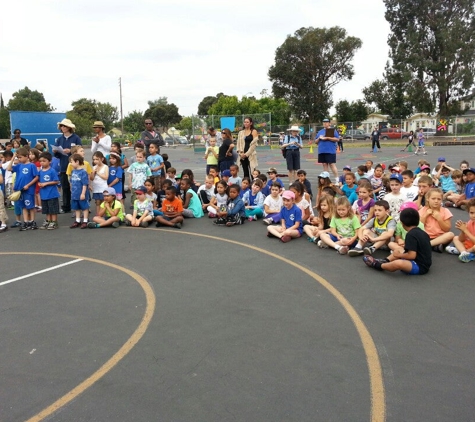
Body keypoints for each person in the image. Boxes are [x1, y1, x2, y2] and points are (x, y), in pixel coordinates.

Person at [363, 208, 432, 275]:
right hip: (424, 262)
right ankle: (386, 260)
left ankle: (378, 265)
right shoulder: (421, 232)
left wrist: (399, 255)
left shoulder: (410, 235)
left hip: (419, 266)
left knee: (398, 263)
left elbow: (412, 256)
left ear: (402, 223)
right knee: (399, 249)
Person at [54, 118, 82, 213]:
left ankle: (79, 205)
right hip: (63, 166)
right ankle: (66, 206)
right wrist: (56, 151)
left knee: (76, 186)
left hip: (75, 166)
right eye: (61, 126)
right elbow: (57, 155)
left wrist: (70, 151)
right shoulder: (59, 139)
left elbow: (80, 151)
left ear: (69, 127)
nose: (63, 127)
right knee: (65, 187)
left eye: (65, 126)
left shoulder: (76, 138)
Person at [7, 148, 39, 231]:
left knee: (30, 206)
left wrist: (28, 185)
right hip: (19, 190)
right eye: (18, 157)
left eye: (20, 157)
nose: (19, 159)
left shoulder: (31, 165)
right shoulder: (19, 166)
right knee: (23, 207)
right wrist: (13, 157)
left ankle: (32, 221)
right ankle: (26, 222)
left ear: (26, 156)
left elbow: (36, 177)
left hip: (28, 190)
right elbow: (9, 168)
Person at [418, 188, 454, 252]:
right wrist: (425, 215)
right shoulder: (423, 210)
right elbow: (419, 226)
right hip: (425, 236)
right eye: (433, 198)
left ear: (442, 200)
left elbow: (447, 229)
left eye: (439, 199)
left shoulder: (445, 211)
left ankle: (428, 245)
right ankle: (435, 246)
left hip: (440, 237)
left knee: (450, 235)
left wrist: (439, 219)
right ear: (427, 199)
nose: (436, 201)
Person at [37, 151, 60, 230]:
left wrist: (46, 184)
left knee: (53, 209)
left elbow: (56, 181)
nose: (42, 163)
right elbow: (38, 179)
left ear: (49, 161)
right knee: (46, 209)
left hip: (52, 194)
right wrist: (40, 183)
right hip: (44, 194)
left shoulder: (52, 171)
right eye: (40, 161)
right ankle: (48, 221)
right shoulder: (40, 171)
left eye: (44, 161)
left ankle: (54, 222)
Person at [447, 198, 475, 262]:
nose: (474, 215)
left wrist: (466, 231)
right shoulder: (470, 222)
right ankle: (464, 253)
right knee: (456, 238)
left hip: (473, 247)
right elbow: (461, 239)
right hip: (469, 245)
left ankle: (463, 251)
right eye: (471, 213)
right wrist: (462, 231)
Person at [69, 154, 90, 229]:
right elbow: (71, 182)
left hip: (81, 193)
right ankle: (77, 220)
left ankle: (85, 220)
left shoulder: (83, 172)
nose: (71, 163)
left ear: (77, 161)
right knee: (76, 208)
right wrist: (71, 190)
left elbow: (85, 184)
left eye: (72, 162)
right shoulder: (73, 171)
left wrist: (83, 193)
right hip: (75, 193)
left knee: (84, 207)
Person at [315, 118, 340, 183]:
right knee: (324, 165)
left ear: (329, 123)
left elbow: (337, 139)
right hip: (322, 150)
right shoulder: (320, 131)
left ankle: (337, 179)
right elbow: (316, 141)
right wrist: (319, 138)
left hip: (330, 150)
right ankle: (327, 180)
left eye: (326, 122)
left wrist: (327, 138)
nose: (325, 123)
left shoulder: (332, 130)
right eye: (324, 122)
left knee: (332, 164)